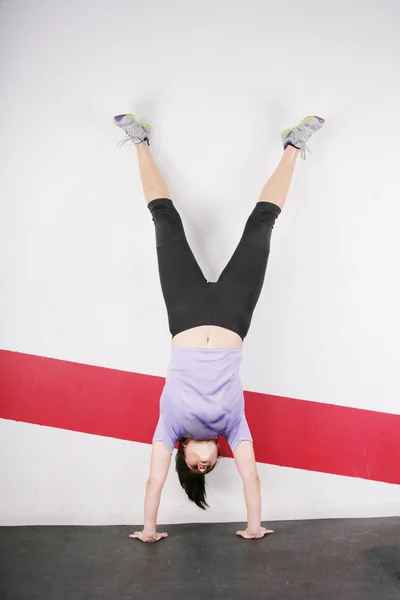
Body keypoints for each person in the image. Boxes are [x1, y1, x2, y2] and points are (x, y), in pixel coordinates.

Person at [113, 111, 325, 542]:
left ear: (184, 454)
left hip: (185, 314)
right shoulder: (234, 426)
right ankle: (293, 146)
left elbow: (153, 482)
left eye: (195, 467)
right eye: (209, 468)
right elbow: (252, 479)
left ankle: (140, 142)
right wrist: (252, 526)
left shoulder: (168, 427)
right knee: (262, 224)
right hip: (232, 316)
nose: (204, 465)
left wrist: (150, 529)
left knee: (164, 220)